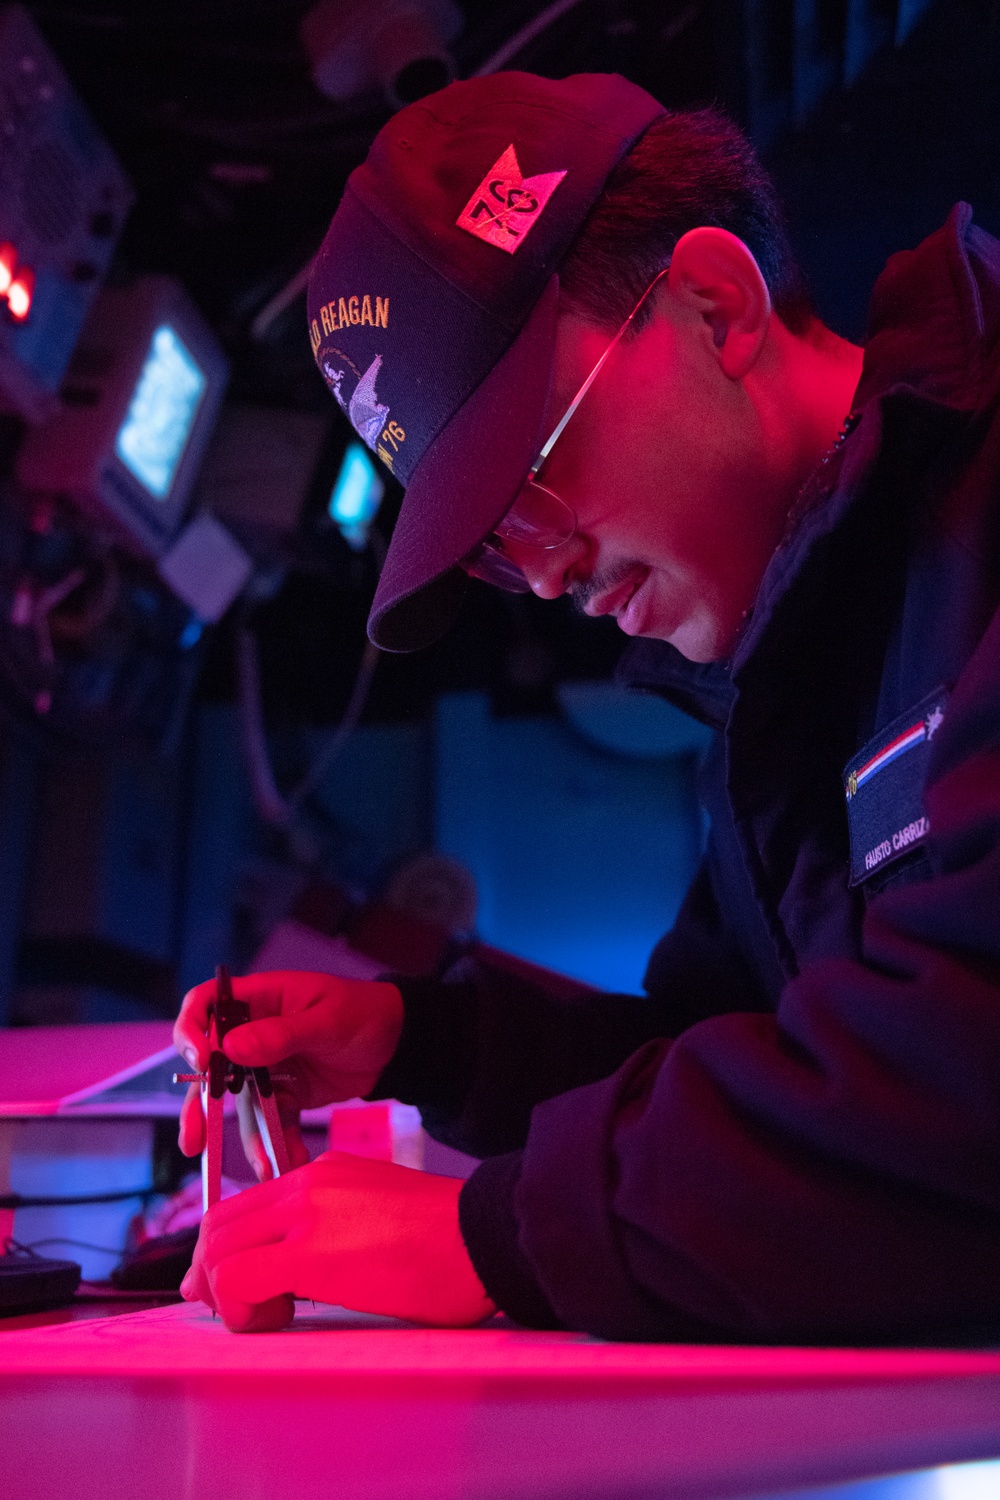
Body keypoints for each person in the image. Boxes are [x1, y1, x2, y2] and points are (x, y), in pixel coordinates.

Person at [175, 71, 1000, 1340]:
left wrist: (496, 1236)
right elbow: (732, 1050)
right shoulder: (798, 656)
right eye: (495, 545)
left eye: (538, 478)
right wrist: (426, 1045)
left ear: (713, 305)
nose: (547, 576)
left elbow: (965, 1084)